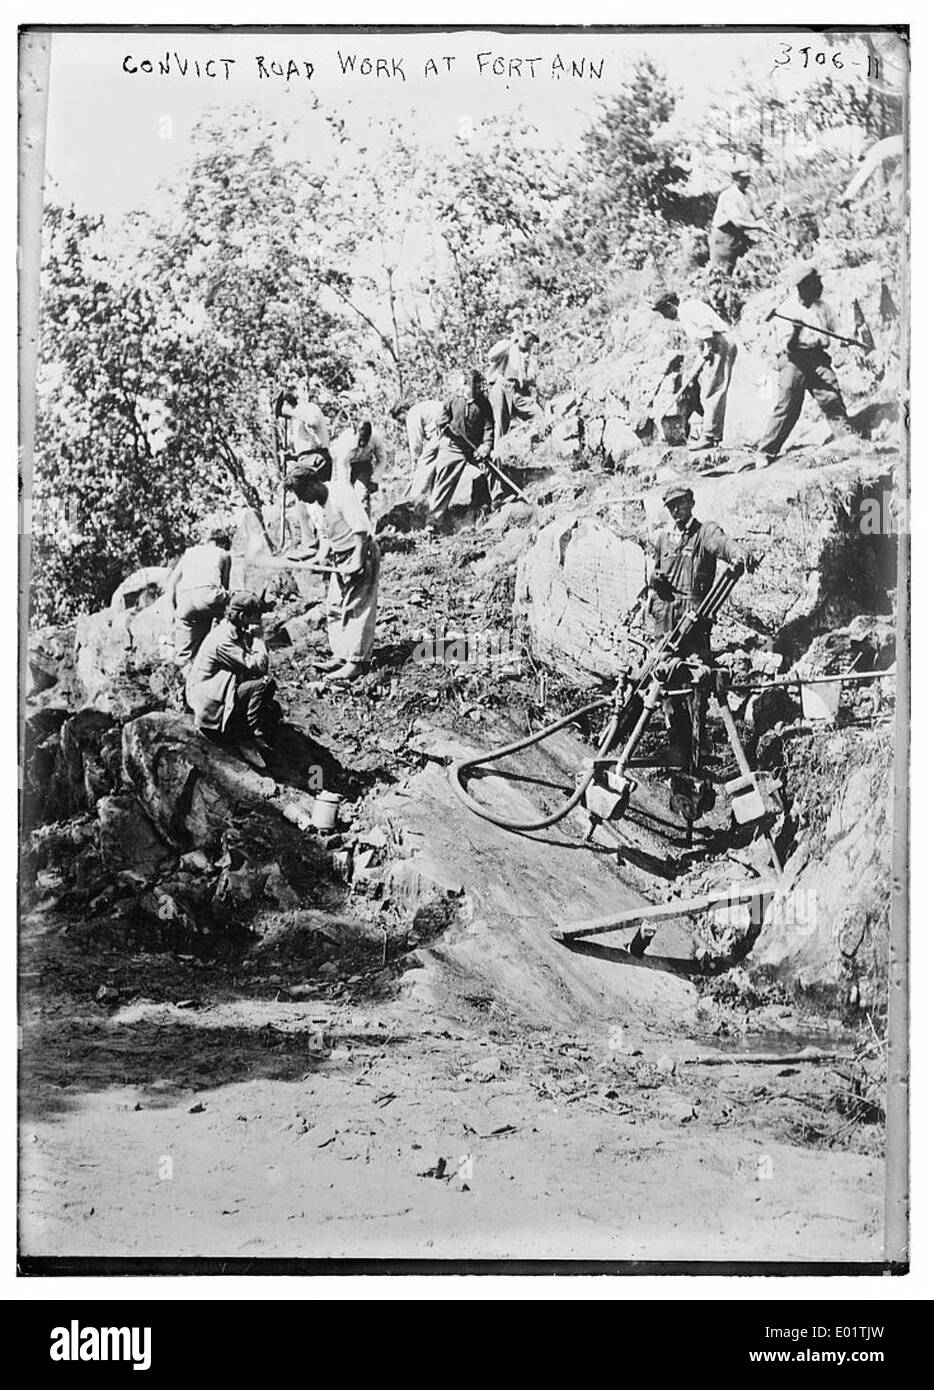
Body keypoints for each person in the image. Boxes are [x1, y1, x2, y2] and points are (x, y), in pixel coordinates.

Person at [648, 483, 755, 790]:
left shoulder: (703, 533)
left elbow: (724, 545)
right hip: (665, 625)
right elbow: (655, 574)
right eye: (671, 507)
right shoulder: (664, 540)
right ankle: (677, 753)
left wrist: (739, 554)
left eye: (680, 504)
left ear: (691, 503)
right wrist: (655, 580)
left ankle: (697, 758)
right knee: (666, 690)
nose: (676, 511)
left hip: (694, 628)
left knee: (696, 690)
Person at [287, 457, 380, 683]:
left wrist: (357, 562)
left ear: (312, 484)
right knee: (336, 606)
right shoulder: (315, 507)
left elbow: (361, 531)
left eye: (301, 493)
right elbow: (326, 538)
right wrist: (320, 560)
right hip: (340, 556)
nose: (301, 499)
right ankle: (341, 655)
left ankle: (357, 662)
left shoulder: (340, 494)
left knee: (357, 606)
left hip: (361, 551)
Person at [756, 263, 857, 467]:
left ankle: (848, 441)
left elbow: (838, 329)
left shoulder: (823, 307)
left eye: (819, 281)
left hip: (817, 357)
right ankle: (766, 451)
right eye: (815, 283)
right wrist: (795, 331)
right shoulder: (786, 310)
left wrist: (846, 338)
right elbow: (789, 347)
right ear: (803, 286)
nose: (820, 286)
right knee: (789, 405)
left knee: (831, 396)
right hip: (793, 360)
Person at [186, 591, 278, 765]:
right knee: (265, 683)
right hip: (208, 703)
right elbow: (259, 667)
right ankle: (245, 736)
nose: (258, 622)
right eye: (256, 618)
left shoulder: (232, 629)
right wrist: (259, 638)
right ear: (243, 616)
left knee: (269, 701)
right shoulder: (223, 640)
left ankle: (243, 727)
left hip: (218, 689)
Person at [652, 292, 738, 452]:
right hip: (716, 344)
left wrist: (709, 344)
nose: (664, 317)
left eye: (664, 312)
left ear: (670, 306)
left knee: (713, 390)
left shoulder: (687, 308)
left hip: (719, 343)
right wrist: (694, 370)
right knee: (709, 389)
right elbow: (700, 346)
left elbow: (705, 325)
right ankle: (713, 434)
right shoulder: (685, 314)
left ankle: (709, 436)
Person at [426, 369, 495, 530]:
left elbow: (489, 426)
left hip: (475, 448)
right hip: (453, 447)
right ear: (465, 385)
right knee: (444, 479)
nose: (478, 389)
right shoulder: (452, 400)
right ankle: (433, 520)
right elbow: (441, 420)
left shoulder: (484, 403)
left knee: (489, 469)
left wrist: (486, 445)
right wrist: (446, 426)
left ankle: (483, 510)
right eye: (474, 386)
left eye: (479, 386)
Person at [163, 518, 233, 667]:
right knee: (216, 624)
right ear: (223, 544)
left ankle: (184, 682)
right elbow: (224, 587)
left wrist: (172, 610)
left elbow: (171, 582)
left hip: (185, 601)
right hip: (209, 598)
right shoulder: (224, 554)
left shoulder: (189, 553)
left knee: (185, 653)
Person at [486, 323, 540, 454]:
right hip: (501, 387)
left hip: (517, 392)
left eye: (533, 341)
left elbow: (531, 379)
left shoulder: (527, 357)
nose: (530, 343)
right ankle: (495, 459)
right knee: (499, 425)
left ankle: (532, 449)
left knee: (537, 414)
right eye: (529, 339)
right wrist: (511, 342)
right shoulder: (508, 345)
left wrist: (528, 380)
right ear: (522, 335)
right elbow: (491, 356)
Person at [707, 165, 769, 275]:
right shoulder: (729, 195)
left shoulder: (749, 196)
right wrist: (758, 226)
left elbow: (759, 215)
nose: (746, 182)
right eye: (743, 179)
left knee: (743, 265)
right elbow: (737, 222)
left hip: (737, 235)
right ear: (735, 180)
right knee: (720, 273)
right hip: (723, 237)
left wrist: (764, 224)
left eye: (748, 179)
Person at [330, 418, 386, 510]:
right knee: (343, 497)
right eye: (361, 437)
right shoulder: (346, 441)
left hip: (363, 465)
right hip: (342, 464)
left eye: (366, 438)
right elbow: (342, 465)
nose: (363, 442)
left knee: (362, 497)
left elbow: (382, 459)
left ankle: (364, 521)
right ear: (356, 432)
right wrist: (346, 490)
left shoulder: (376, 438)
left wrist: (375, 479)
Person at [275, 388, 330, 462]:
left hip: (317, 456)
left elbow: (313, 423)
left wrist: (293, 413)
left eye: (281, 412)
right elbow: (305, 448)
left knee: (297, 473)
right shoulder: (295, 420)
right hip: (308, 458)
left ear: (286, 403)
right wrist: (292, 457)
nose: (283, 416)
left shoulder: (308, 407)